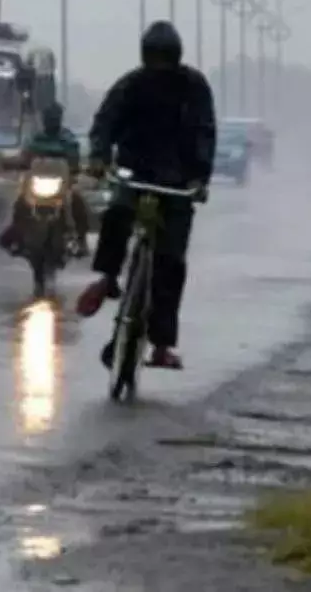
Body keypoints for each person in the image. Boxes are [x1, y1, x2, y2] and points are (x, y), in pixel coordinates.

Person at [75, 20, 216, 371]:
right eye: (154, 59)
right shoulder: (131, 85)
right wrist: (98, 156)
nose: (159, 67)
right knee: (117, 215)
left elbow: (204, 133)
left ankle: (162, 344)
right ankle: (108, 278)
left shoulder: (194, 87)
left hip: (177, 185)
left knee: (171, 265)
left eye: (164, 59)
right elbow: (105, 123)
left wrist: (199, 178)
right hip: (135, 174)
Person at [0, 102, 91, 257]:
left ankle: (81, 240)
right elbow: (24, 158)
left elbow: (76, 162)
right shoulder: (35, 139)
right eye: (48, 118)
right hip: (35, 184)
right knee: (20, 203)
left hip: (62, 185)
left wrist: (79, 169)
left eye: (54, 118)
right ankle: (16, 237)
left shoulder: (68, 140)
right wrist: (9, 163)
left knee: (78, 202)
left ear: (60, 119)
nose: (51, 121)